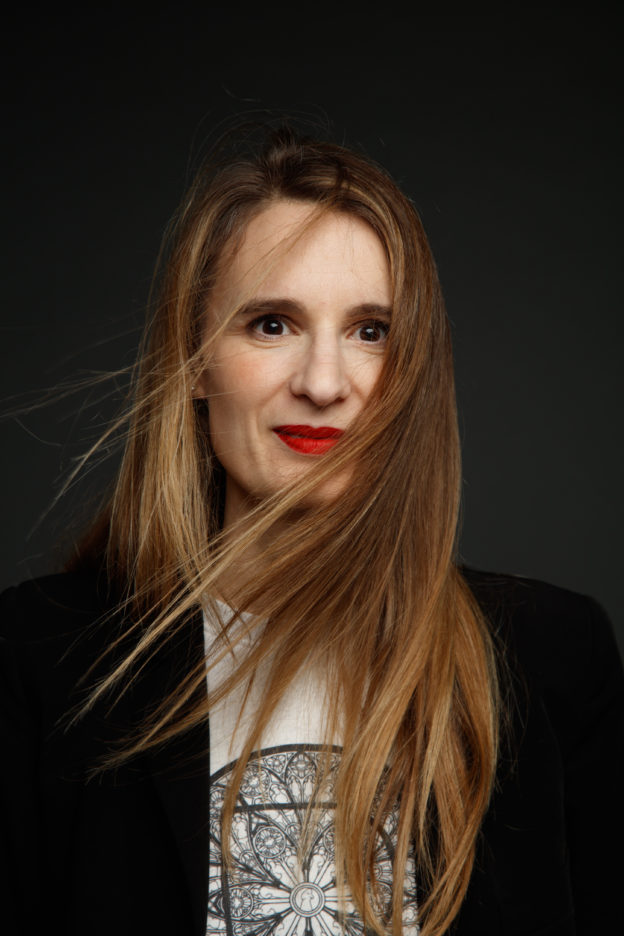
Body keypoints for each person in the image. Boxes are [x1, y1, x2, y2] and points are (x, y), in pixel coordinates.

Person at [0, 124, 622, 936]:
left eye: (372, 332)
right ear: (194, 359)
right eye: (271, 324)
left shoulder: (552, 660)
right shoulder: (40, 660)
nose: (324, 384)